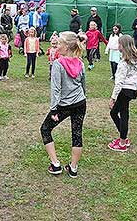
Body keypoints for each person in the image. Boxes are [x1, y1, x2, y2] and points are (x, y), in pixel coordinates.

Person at [40, 31, 87, 178]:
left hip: (64, 105)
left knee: (45, 129)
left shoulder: (58, 64)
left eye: (59, 43)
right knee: (77, 134)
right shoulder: (80, 62)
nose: (56, 45)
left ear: (66, 47)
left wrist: (54, 109)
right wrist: (82, 98)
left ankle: (56, 165)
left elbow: (56, 89)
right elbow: (83, 85)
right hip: (80, 103)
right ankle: (73, 168)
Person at [108, 35, 137, 152]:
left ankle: (122, 142)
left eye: (119, 44)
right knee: (124, 114)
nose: (118, 46)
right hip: (131, 90)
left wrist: (113, 98)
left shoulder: (124, 63)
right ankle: (124, 137)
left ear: (123, 46)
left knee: (115, 113)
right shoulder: (136, 59)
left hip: (124, 90)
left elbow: (119, 82)